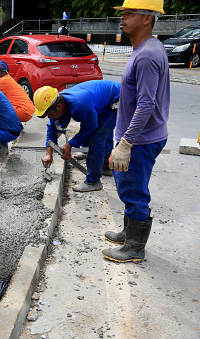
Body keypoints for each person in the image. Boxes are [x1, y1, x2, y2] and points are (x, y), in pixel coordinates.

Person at [102, 0, 169, 263]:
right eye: (123, 13)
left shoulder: (147, 55)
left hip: (140, 140)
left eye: (130, 13)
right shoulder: (147, 48)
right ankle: (129, 233)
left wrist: (126, 142)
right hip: (142, 136)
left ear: (147, 19)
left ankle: (134, 248)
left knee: (134, 190)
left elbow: (146, 103)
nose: (123, 18)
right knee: (130, 188)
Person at [34, 80, 120, 192]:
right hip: (101, 100)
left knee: (96, 138)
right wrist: (48, 153)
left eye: (49, 114)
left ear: (59, 106)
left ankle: (93, 181)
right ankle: (106, 166)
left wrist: (70, 145)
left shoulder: (79, 105)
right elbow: (53, 128)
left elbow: (90, 127)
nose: (49, 117)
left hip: (116, 99)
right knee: (102, 133)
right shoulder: (57, 104)